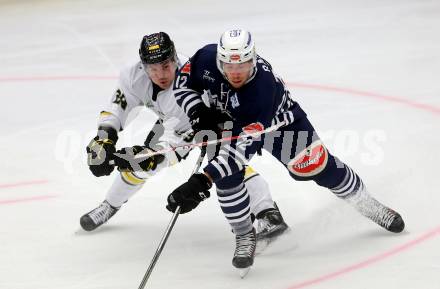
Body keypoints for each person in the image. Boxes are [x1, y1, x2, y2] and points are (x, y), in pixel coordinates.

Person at [165, 29, 405, 274]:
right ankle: (244, 235)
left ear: (253, 59)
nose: (236, 73)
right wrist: (199, 113)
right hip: (229, 122)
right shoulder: (205, 58)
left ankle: (369, 205)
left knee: (320, 167)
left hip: (280, 124)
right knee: (227, 179)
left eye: (244, 65)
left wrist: (201, 180)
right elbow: (183, 85)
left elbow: (239, 153)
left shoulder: (261, 89)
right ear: (219, 60)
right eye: (228, 66)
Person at [83, 32, 289, 243]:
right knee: (140, 165)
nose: (161, 74)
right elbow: (118, 107)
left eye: (165, 66)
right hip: (172, 121)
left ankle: (267, 212)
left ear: (174, 59)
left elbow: (179, 139)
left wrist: (154, 154)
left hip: (213, 119)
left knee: (227, 163)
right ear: (143, 66)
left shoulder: (187, 79)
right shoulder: (132, 75)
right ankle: (110, 204)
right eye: (153, 69)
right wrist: (104, 138)